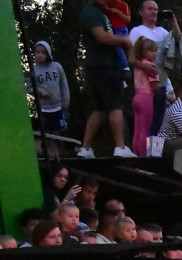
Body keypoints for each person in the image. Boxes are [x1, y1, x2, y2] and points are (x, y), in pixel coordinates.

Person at [78, 0, 135, 159]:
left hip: (101, 66)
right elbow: (102, 37)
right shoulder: (91, 13)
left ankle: (85, 148)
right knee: (116, 105)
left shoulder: (102, 12)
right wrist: (123, 40)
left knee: (101, 109)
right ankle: (120, 147)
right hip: (104, 66)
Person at [128, 1, 182, 138]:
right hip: (145, 77)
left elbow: (178, 39)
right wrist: (144, 66)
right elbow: (133, 55)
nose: (153, 12)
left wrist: (173, 20)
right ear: (141, 12)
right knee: (147, 117)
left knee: (161, 113)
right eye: (150, 9)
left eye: (156, 9)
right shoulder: (137, 31)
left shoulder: (162, 32)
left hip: (161, 76)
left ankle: (155, 146)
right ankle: (145, 148)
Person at [31, 42, 70, 136]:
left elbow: (64, 84)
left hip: (57, 108)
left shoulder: (57, 67)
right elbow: (29, 87)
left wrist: (66, 101)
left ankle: (61, 150)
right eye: (38, 52)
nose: (40, 55)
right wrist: (39, 91)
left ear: (48, 53)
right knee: (44, 134)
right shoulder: (33, 70)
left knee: (60, 134)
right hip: (43, 109)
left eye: (43, 52)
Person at [130, 37, 159, 156]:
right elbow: (154, 85)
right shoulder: (150, 66)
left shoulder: (138, 66)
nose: (155, 54)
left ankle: (136, 153)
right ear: (143, 52)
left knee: (137, 130)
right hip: (146, 97)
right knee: (145, 130)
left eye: (155, 51)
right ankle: (143, 156)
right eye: (151, 51)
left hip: (137, 97)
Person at [103, 0, 131, 74]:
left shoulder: (123, 4)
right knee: (117, 49)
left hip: (122, 28)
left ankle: (126, 66)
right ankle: (123, 68)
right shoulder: (108, 3)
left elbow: (128, 19)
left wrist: (118, 12)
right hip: (113, 29)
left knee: (122, 48)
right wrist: (108, 9)